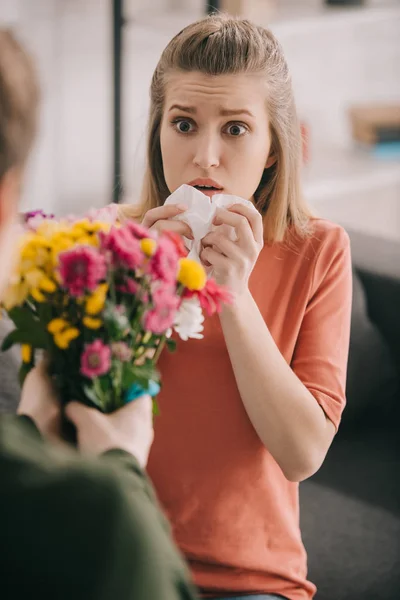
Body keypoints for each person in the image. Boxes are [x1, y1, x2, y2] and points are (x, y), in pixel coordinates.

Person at [119, 14, 353, 600]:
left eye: (236, 129)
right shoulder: (110, 238)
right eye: (184, 124)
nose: (206, 157)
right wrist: (151, 289)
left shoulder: (320, 251)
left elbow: (302, 453)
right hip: (122, 552)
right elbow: (75, 424)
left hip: (254, 578)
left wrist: (235, 295)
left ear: (274, 148)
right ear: (157, 135)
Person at [0, 30, 197, 600]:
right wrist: (121, 466)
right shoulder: (101, 519)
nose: (206, 156)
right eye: (182, 124)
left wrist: (29, 429)